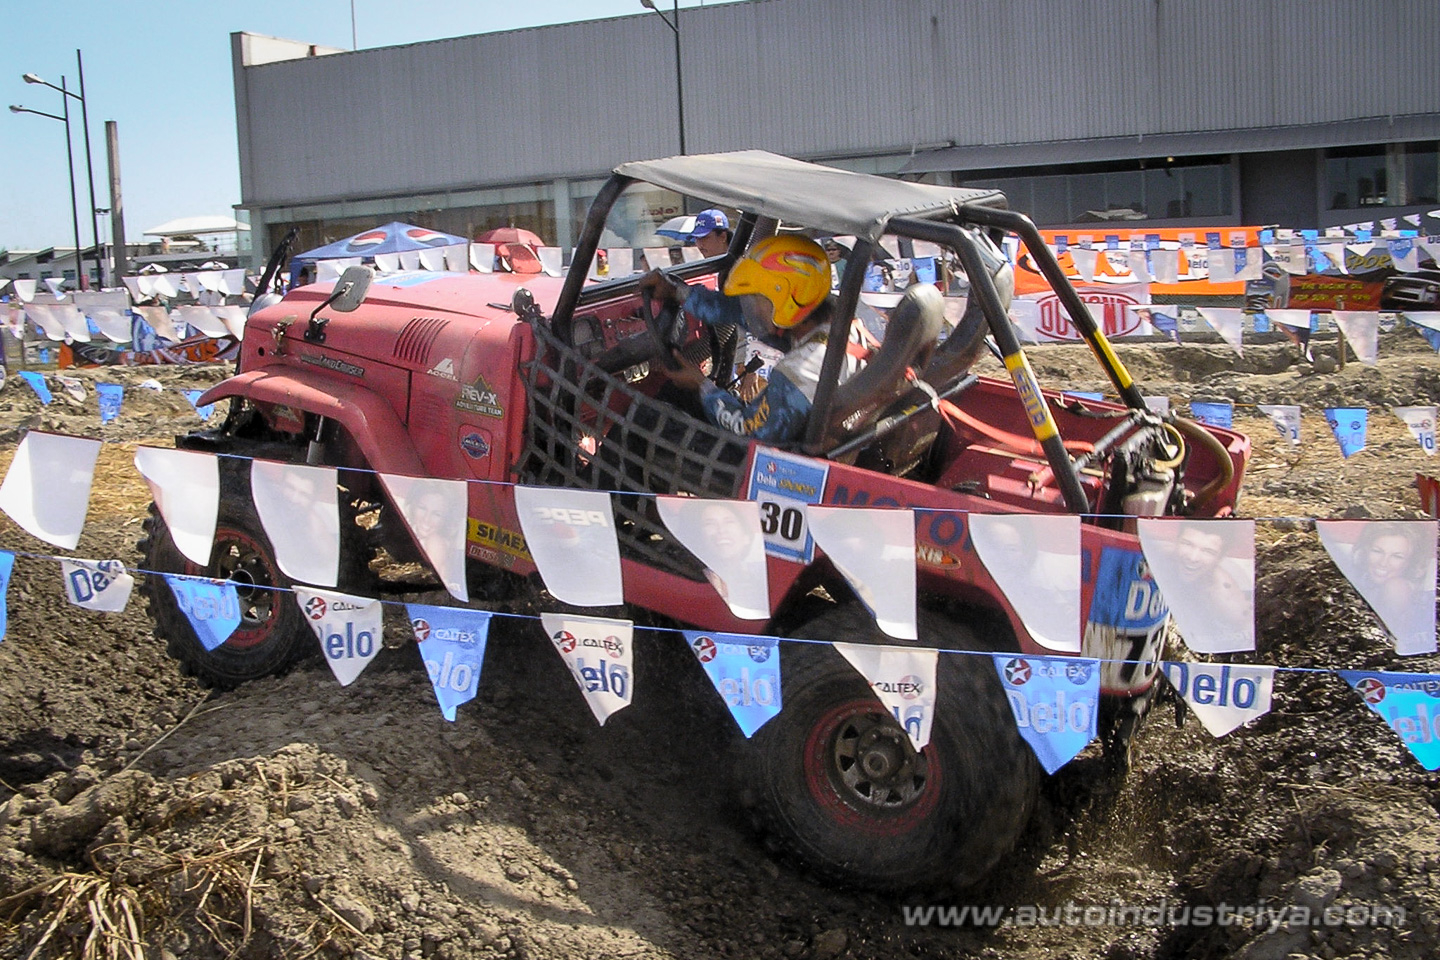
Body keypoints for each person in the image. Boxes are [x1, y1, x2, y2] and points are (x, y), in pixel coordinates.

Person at [638, 235, 864, 443]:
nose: (750, 308)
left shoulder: (802, 369)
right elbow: (734, 311)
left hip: (781, 460)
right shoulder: (831, 321)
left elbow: (751, 431)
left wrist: (700, 385)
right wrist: (676, 292)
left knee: (646, 421)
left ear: (786, 300)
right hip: (808, 432)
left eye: (755, 298)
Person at [1349, 522, 1432, 646]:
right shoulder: (1363, 581)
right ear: (1366, 550)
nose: (1383, 563)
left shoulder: (1396, 586)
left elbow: (1390, 635)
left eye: (1397, 556)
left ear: (1410, 562)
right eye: (1377, 551)